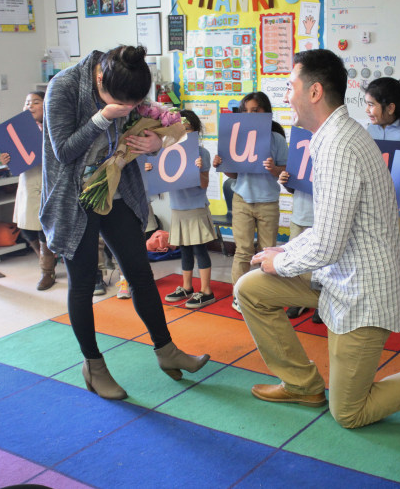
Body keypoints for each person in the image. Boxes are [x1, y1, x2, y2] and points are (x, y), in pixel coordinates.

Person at [235, 48, 400, 429]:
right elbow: (326, 231)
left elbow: (328, 243)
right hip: (335, 277)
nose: (286, 96)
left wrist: (283, 261)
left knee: (349, 412)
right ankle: (301, 383)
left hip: (362, 291)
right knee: (251, 288)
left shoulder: (339, 144)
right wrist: (286, 250)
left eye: (290, 87)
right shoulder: (331, 136)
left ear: (315, 92)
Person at [39, 45, 209, 400]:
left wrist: (154, 142)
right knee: (84, 283)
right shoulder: (64, 87)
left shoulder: (126, 80)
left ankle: (167, 351)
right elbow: (64, 151)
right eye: (121, 102)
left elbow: (160, 127)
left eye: (134, 103)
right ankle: (93, 365)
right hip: (75, 199)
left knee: (141, 274)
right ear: (99, 78)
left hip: (118, 193)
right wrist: (102, 117)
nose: (128, 109)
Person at [212, 91, 288, 313]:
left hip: (268, 202)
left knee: (266, 252)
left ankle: (263, 296)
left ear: (267, 112)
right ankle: (240, 295)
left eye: (256, 110)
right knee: (243, 251)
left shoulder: (277, 139)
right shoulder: (238, 137)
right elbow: (234, 175)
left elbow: (284, 172)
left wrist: (274, 169)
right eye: (246, 111)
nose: (250, 115)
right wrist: (223, 164)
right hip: (242, 200)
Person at [365, 77, 400, 328]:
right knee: (374, 251)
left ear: (390, 107)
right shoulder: (370, 129)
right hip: (374, 202)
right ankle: (378, 300)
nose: (368, 110)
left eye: (372, 104)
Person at [151, 109, 217, 308]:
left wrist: (198, 170)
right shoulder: (168, 153)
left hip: (196, 209)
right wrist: (150, 168)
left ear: (196, 131)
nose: (184, 134)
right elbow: (160, 178)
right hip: (178, 209)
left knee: (199, 249)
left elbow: (204, 184)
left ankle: (206, 291)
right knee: (185, 249)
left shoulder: (201, 153)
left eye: (188, 130)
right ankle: (187, 287)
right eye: (179, 131)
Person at [0, 91, 57, 290]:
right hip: (28, 182)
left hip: (49, 183)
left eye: (36, 102)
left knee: (43, 229)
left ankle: (47, 271)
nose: (30, 106)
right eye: (27, 102)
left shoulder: (54, 128)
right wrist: (7, 161)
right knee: (26, 228)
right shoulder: (18, 133)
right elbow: (15, 162)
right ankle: (46, 258)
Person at [277, 169, 319, 322]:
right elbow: (294, 188)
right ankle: (300, 301)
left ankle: (320, 303)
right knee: (295, 262)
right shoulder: (301, 153)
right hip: (298, 217)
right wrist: (286, 181)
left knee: (320, 267)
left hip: (318, 219)